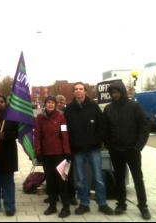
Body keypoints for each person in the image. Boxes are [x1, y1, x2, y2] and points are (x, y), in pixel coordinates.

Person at [101, 80, 151, 220]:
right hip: (116, 150)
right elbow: (104, 129)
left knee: (137, 178)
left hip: (132, 150)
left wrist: (138, 146)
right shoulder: (109, 109)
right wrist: (109, 145)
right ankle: (121, 204)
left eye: (117, 92)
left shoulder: (134, 107)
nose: (115, 95)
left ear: (122, 92)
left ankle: (143, 206)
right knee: (119, 178)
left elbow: (144, 127)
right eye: (113, 93)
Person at [64, 82, 113, 215]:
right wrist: (72, 143)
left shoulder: (94, 107)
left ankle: (102, 203)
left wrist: (97, 140)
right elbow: (65, 130)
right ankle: (84, 203)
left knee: (98, 177)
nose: (78, 91)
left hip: (93, 148)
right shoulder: (68, 109)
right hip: (78, 149)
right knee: (81, 179)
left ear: (85, 91)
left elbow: (102, 126)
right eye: (76, 89)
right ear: (73, 92)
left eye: (81, 89)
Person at [35, 96, 71, 218]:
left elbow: (64, 134)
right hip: (47, 154)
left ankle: (66, 207)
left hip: (60, 154)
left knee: (62, 180)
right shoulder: (40, 118)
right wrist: (38, 152)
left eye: (52, 103)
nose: (50, 105)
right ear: (45, 104)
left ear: (56, 104)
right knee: (50, 181)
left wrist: (67, 152)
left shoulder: (61, 116)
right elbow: (38, 135)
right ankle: (52, 205)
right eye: (48, 102)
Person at [55, 94, 78, 206]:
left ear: (64, 102)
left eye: (61, 101)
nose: (59, 104)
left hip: (68, 147)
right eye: (57, 102)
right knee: (57, 173)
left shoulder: (68, 113)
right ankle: (55, 194)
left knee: (68, 172)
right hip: (55, 148)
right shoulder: (52, 114)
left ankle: (72, 195)